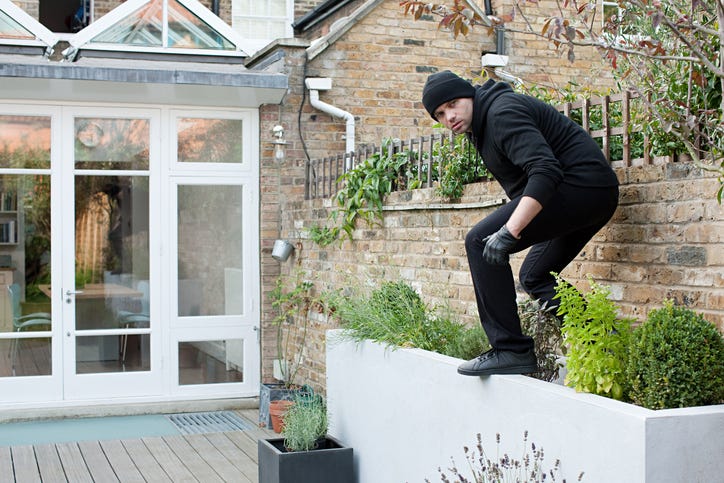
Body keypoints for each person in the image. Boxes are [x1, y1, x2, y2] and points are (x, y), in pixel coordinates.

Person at [421, 71, 619, 376]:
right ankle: (605, 342)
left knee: (479, 241)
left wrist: (509, 231)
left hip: (581, 187)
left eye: (453, 104)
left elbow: (544, 171)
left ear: (468, 94)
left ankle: (511, 350)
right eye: (440, 114)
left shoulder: (501, 113)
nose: (449, 116)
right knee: (535, 276)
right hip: (587, 193)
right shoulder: (482, 125)